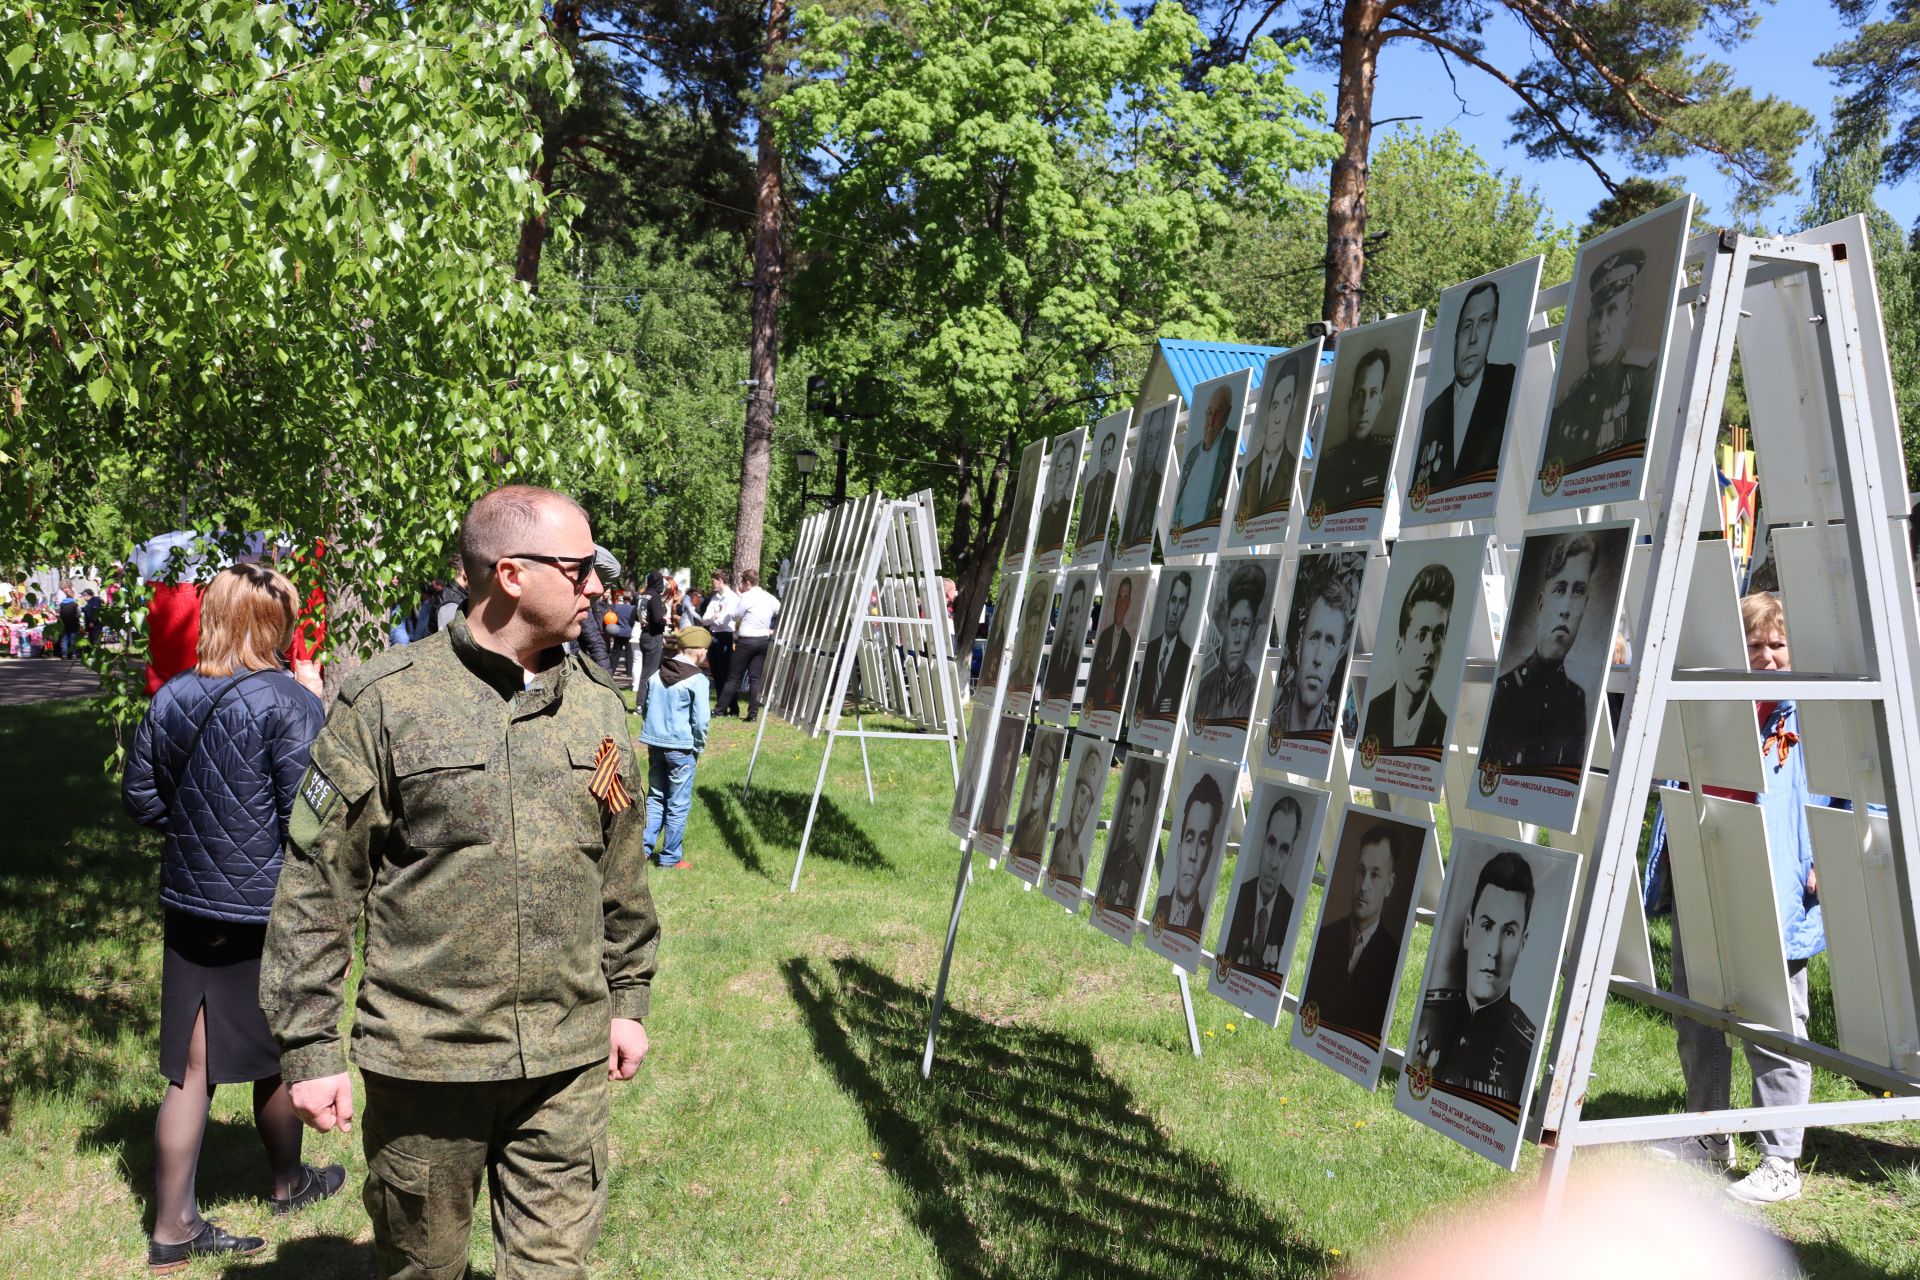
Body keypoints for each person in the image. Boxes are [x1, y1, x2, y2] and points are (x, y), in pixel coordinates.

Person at [259, 485, 659, 1280]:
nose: (596, 590)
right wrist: (309, 1048)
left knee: (554, 1268)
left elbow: (621, 873)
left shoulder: (601, 710)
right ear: (510, 574)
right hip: (426, 1064)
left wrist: (628, 1000)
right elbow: (316, 880)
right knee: (421, 1267)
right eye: (579, 570)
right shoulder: (384, 701)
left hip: (566, 1058)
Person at [122, 564, 341, 1271]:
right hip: (267, 906)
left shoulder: (173, 695)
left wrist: (199, 839)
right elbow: (311, 818)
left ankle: (174, 1224)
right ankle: (286, 1180)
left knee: (190, 1071)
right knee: (280, 1049)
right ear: (271, 622)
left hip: (190, 901)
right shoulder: (289, 702)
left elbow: (141, 799)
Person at [1643, 593, 1828, 1205]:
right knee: (1695, 1013)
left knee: (1773, 1021)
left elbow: (1848, 791)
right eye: (1756, 646)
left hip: (1773, 887)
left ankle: (1781, 1159)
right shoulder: (1714, 710)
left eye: (1779, 645)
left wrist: (1826, 855)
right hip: (1707, 875)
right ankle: (1708, 1134)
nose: (1770, 658)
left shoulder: (1811, 715)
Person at [1410, 851, 1539, 1113]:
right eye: (1487, 925)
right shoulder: (1429, 1015)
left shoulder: (1524, 1052)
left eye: (1509, 932)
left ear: (1522, 944)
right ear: (1468, 931)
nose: (1494, 949)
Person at [1480, 534, 1597, 770]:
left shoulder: (1575, 699)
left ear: (1584, 606)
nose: (1566, 609)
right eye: (1560, 589)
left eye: (1578, 591)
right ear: (1542, 604)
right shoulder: (1506, 691)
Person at [1542, 248, 1654, 467]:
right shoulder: (1568, 401)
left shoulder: (1644, 376)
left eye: (1612, 311)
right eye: (1597, 314)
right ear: (1587, 323)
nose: (1601, 328)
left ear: (1627, 314)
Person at [1411, 281, 1516, 494]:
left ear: (1493, 329)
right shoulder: (1431, 413)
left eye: (1484, 322)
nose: (1474, 338)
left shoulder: (1510, 383)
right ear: (1456, 335)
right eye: (1467, 325)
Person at [1301, 825, 1405, 1038]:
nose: (1364, 885)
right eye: (1361, 871)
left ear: (1389, 885)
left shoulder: (1392, 957)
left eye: (1375, 875)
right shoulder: (1324, 939)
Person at [638, 626, 712, 869]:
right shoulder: (698, 680)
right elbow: (701, 720)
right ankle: (670, 857)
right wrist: (698, 746)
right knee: (678, 803)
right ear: (700, 652)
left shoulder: (656, 674)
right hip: (682, 749)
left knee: (656, 796)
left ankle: (643, 851)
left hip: (655, 744)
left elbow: (646, 707)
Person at [1363, 564, 1454, 749]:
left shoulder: (1444, 728)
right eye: (1420, 635)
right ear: (1400, 645)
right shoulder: (1370, 715)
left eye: (1437, 636)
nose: (1429, 649)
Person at [1268, 563, 1358, 743]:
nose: (1318, 658)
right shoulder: (1273, 726)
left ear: (1338, 655)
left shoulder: (1328, 735)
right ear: (1300, 643)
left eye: (1330, 642)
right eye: (1314, 637)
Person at [1221, 795, 1305, 979]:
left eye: (1283, 849)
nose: (1274, 862)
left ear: (1291, 854)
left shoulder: (1291, 913)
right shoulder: (1238, 899)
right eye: (1271, 842)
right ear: (1263, 840)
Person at [1312, 347, 1397, 512]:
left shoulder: (1388, 453)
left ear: (1381, 401)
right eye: (1360, 394)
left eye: (1373, 393)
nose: (1364, 407)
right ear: (1350, 400)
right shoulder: (1328, 462)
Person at [1191, 561, 1267, 726]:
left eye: (1245, 624)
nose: (1238, 637)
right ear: (1224, 626)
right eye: (1234, 624)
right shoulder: (1205, 687)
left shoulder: (1255, 689)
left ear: (1253, 630)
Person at [1150, 771, 1224, 939]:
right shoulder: (1159, 908)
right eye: (1189, 839)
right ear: (1178, 849)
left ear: (1209, 856)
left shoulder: (1200, 923)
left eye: (1203, 842)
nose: (1193, 854)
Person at [1236, 360, 1302, 528]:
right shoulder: (1249, 471)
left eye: (1286, 403)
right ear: (1267, 412)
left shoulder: (1293, 467)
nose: (1278, 418)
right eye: (1275, 405)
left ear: (1294, 407)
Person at [1093, 762, 1159, 919]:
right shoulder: (1112, 859)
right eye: (1130, 801)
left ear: (1143, 813)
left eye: (1137, 802)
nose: (1131, 812)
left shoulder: (1137, 873)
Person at [1170, 384, 1236, 536]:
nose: (1211, 420)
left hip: (1206, 536)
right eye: (1209, 412)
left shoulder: (1231, 444)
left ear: (1228, 412)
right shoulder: (1193, 453)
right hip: (1182, 538)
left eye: (1218, 411)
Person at [715, 567, 779, 722]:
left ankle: (719, 710)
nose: (741, 586)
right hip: (763, 640)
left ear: (748, 582)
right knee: (755, 678)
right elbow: (780, 611)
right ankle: (753, 714)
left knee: (733, 677)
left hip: (747, 640)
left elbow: (736, 615)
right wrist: (772, 629)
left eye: (742, 583)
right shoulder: (769, 597)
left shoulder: (747, 597)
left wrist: (741, 597)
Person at [1131, 569, 1193, 722]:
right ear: (1167, 603)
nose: (1175, 610)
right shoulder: (1151, 649)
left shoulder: (1186, 654)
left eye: (1181, 602)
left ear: (1186, 609)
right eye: (1173, 600)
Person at [1045, 746, 1105, 890]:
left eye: (1089, 800)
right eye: (1082, 793)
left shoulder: (1080, 864)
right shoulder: (1058, 841)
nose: (1083, 807)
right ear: (1074, 793)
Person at [1119, 402, 1174, 550]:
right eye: (1149, 438)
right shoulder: (1134, 484)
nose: (1151, 447)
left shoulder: (1160, 482)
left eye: (1157, 437)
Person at [1009, 733, 1064, 866]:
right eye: (1038, 771)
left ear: (1050, 781)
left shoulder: (1041, 832)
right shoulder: (1022, 824)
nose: (1037, 782)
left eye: (1043, 773)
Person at [1085, 575, 1139, 710]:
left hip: (1113, 706)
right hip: (1097, 702)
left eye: (1125, 599)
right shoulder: (1104, 635)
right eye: (1119, 598)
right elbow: (1094, 675)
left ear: (1129, 604)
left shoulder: (1127, 640)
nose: (1120, 605)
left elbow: (1124, 678)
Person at [1041, 577, 1092, 703]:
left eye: (1077, 611)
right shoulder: (1053, 646)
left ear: (1082, 616)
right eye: (1070, 610)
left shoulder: (1078, 654)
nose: (1072, 619)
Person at [630, 570, 669, 709]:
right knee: (649, 673)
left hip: (643, 634)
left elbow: (633, 617)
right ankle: (642, 704)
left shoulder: (642, 595)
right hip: (653, 636)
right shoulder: (655, 597)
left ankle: (647, 702)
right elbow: (658, 619)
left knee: (647, 670)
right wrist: (665, 621)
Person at [1035, 437, 1079, 553]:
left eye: (1067, 468)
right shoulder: (1045, 514)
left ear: (1071, 476)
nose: (1061, 480)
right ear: (1052, 475)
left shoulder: (1067, 513)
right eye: (1059, 468)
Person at [1080, 427, 1120, 544]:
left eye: (1109, 453)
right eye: (1104, 453)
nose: (1105, 459)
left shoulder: (1114, 479)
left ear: (1112, 454)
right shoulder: (1091, 484)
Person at [704, 570, 736, 695]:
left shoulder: (731, 597)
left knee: (725, 672)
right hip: (713, 635)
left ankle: (731, 706)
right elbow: (705, 619)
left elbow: (724, 621)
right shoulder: (714, 598)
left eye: (713, 581)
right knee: (715, 671)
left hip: (725, 636)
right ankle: (720, 703)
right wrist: (714, 618)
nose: (712, 584)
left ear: (720, 581)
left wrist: (715, 618)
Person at [57, 583, 81, 657]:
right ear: (73, 595)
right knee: (73, 639)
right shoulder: (75, 604)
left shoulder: (61, 604)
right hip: (73, 624)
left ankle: (64, 654)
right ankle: (73, 653)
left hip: (63, 624)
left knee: (64, 639)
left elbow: (58, 612)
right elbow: (79, 614)